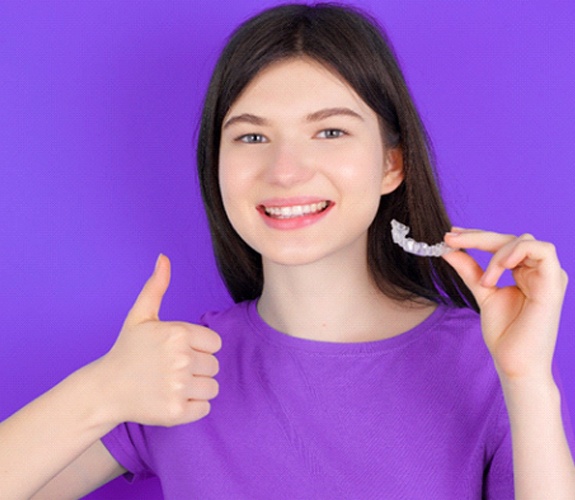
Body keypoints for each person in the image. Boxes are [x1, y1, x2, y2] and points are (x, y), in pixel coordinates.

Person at [1, 3, 574, 499]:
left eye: (330, 132)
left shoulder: (486, 364)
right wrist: (103, 389)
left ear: (391, 163)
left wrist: (526, 382)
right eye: (252, 136)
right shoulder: (177, 371)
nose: (285, 171)